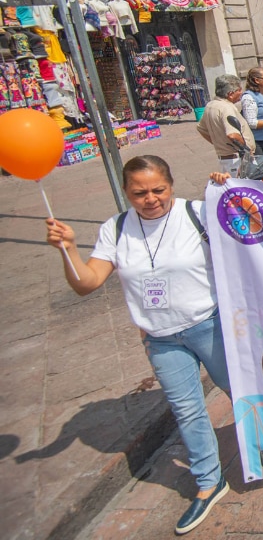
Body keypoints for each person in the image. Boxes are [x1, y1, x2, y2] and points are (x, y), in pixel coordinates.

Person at [45, 156, 232, 535]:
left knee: (242, 392)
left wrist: (229, 192)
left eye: (158, 189)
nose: (150, 199)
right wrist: (68, 249)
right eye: (139, 193)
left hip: (210, 326)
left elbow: (251, 235)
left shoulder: (198, 213)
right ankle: (209, 482)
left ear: (171, 184)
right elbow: (86, 283)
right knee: (187, 411)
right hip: (160, 339)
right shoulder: (115, 229)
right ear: (126, 193)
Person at [197, 74, 256, 176]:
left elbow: (201, 129)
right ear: (230, 94)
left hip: (226, 160)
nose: (241, 93)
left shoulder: (211, 105)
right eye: (239, 90)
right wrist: (247, 151)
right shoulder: (226, 108)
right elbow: (233, 135)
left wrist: (218, 143)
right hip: (237, 160)